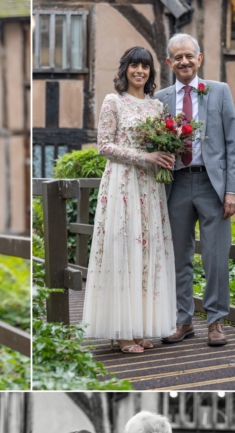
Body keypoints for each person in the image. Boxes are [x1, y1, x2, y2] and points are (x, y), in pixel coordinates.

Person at [83, 47, 176, 353]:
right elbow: (104, 146)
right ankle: (122, 332)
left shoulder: (157, 107)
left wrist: (166, 154)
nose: (140, 71)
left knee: (146, 253)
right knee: (123, 250)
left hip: (149, 188)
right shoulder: (114, 102)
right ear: (125, 69)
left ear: (151, 71)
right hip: (122, 184)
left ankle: (138, 328)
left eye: (145, 66)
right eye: (134, 65)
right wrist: (146, 155)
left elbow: (162, 142)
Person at [156, 34, 235, 348]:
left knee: (215, 257)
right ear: (169, 62)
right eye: (177, 57)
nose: (184, 62)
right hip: (175, 185)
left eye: (189, 56)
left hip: (213, 185)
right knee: (178, 257)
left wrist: (233, 189)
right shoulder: (161, 99)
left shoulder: (219, 92)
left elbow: (233, 143)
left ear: (199, 58)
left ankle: (216, 322)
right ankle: (183, 321)